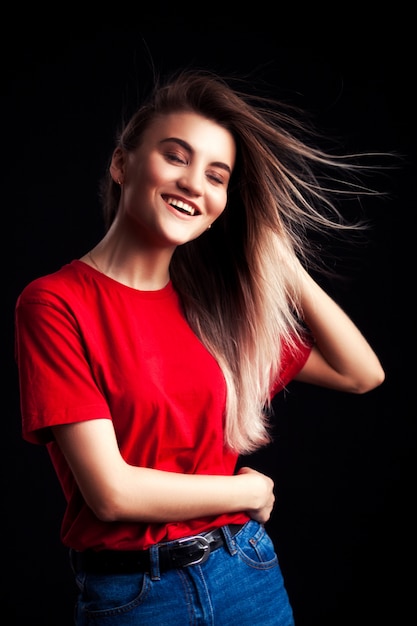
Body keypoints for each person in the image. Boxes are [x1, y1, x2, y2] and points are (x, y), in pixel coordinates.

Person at [14, 68, 385, 626]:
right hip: (135, 597)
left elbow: (361, 373)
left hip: (246, 574)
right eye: (175, 156)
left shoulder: (215, 310)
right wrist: (243, 493)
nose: (194, 184)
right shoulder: (55, 303)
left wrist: (277, 257)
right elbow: (112, 493)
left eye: (217, 176)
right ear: (122, 165)